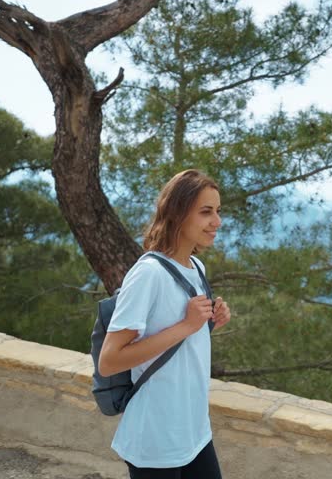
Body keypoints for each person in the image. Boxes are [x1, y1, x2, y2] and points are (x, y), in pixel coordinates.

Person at [98, 169, 230, 479]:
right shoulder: (149, 274)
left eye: (218, 211)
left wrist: (209, 322)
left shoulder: (196, 267)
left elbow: (178, 342)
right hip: (155, 437)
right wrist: (186, 325)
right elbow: (109, 361)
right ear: (178, 214)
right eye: (206, 212)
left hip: (194, 430)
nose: (217, 222)